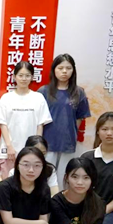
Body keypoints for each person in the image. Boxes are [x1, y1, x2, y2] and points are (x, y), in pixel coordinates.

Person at [0, 61, 52, 176]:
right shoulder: (6, 98)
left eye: (27, 75)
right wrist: (9, 146)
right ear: (14, 77)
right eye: (20, 75)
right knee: (8, 181)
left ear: (32, 77)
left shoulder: (38, 98)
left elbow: (40, 125)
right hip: (10, 151)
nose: (24, 79)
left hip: (31, 151)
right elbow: (2, 124)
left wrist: (37, 148)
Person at [38, 54, 91, 182]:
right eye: (60, 68)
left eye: (68, 68)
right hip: (47, 143)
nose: (64, 71)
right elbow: (37, 119)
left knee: (65, 178)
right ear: (54, 70)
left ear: (73, 70)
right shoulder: (43, 91)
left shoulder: (79, 92)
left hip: (68, 143)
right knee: (44, 178)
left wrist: (70, 134)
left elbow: (79, 118)